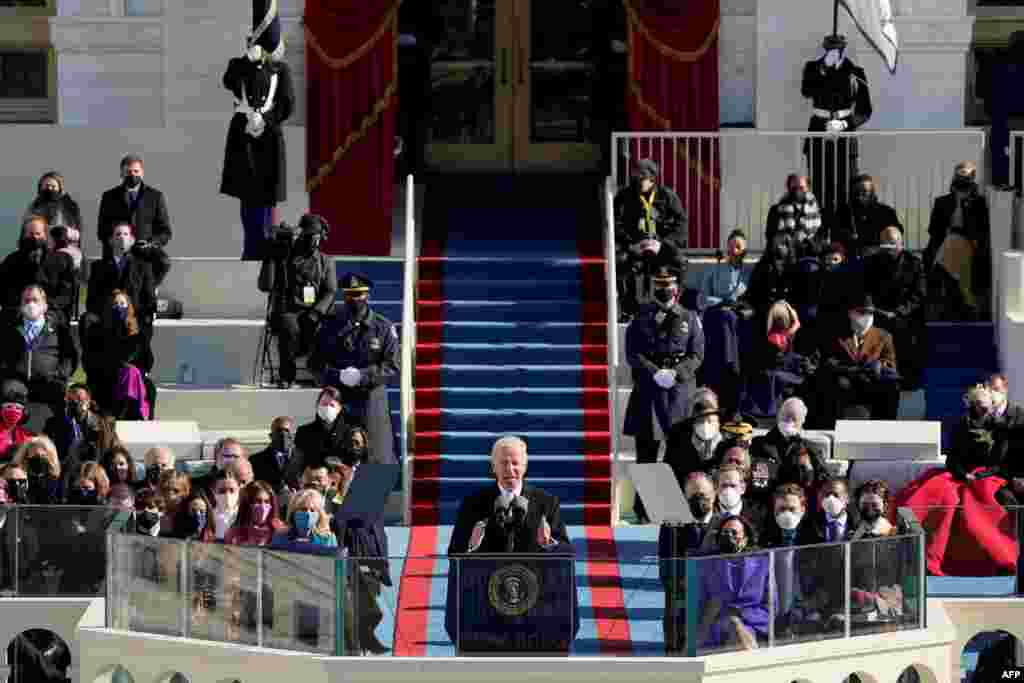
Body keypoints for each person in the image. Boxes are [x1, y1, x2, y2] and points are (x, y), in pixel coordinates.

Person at [623, 266, 704, 524]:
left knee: (680, 454)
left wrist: (677, 373)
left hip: (679, 393)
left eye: (669, 286)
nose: (665, 290)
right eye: (660, 286)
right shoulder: (641, 317)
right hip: (649, 389)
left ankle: (675, 512)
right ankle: (646, 510)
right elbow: (632, 353)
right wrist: (654, 372)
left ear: (677, 289)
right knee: (647, 453)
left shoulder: (690, 318)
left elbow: (697, 354)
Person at [220, 2, 296, 261]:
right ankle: (251, 246)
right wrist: (247, 61)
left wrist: (266, 119)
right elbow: (228, 81)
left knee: (266, 197)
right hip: (243, 138)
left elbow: (287, 104)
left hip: (269, 138)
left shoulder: (281, 69)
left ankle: (264, 245)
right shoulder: (238, 65)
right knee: (246, 196)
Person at [313, 273, 400, 464]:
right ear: (344, 297)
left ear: (367, 295)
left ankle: (370, 494)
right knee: (336, 458)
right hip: (338, 399)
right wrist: (338, 375)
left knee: (375, 457)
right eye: (350, 295)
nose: (355, 299)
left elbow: (392, 366)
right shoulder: (329, 326)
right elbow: (316, 364)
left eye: (359, 294)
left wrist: (363, 375)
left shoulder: (383, 328)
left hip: (371, 402)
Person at [448, 435, 572, 555]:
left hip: (533, 574)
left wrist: (549, 543)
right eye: (503, 463)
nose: (509, 469)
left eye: (515, 463)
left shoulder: (546, 502)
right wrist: (471, 545)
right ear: (493, 467)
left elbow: (567, 550)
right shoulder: (473, 503)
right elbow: (454, 551)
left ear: (525, 466)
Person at [258, 213, 337, 388]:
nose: (310, 241)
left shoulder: (326, 261)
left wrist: (317, 312)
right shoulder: (284, 257)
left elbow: (330, 291)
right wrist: (270, 257)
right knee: (289, 326)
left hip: (313, 310)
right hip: (288, 310)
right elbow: (265, 285)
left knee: (329, 328)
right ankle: (287, 376)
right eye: (306, 236)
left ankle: (319, 371)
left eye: (314, 237)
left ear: (321, 238)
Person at [801, 33, 873, 218]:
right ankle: (819, 229)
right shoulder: (813, 68)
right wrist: (823, 67)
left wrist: (844, 123)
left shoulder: (855, 72)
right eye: (829, 50)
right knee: (819, 184)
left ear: (843, 50)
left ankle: (843, 233)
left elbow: (865, 110)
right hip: (819, 128)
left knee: (846, 185)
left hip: (844, 133)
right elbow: (806, 91)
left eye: (837, 50)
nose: (833, 53)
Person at [613, 159, 689, 320]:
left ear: (653, 178)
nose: (639, 181)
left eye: (643, 177)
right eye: (636, 177)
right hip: (635, 248)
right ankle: (628, 309)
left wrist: (665, 243)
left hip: (660, 248)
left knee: (680, 262)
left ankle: (674, 306)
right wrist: (629, 243)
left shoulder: (667, 196)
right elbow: (614, 222)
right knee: (620, 261)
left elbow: (681, 222)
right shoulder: (625, 196)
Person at [82, 222, 157, 384]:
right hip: (106, 317)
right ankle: (94, 368)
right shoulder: (98, 267)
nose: (121, 238)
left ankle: (139, 367)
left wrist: (129, 310)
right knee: (87, 320)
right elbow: (92, 300)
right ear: (110, 240)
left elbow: (149, 300)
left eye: (125, 234)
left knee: (144, 321)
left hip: (133, 316)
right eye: (117, 234)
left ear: (132, 239)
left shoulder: (143, 267)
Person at [0, 285, 78, 432]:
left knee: (59, 398)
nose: (31, 304)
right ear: (21, 305)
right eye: (26, 300)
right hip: (17, 385)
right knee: (8, 392)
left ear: (44, 306)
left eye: (35, 300)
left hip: (48, 384)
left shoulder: (59, 330)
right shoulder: (8, 329)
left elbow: (70, 357)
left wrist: (60, 376)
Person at [658, 471, 719, 654]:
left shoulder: (726, 523)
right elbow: (666, 567)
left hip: (715, 603)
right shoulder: (671, 524)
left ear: (714, 494)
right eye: (692, 496)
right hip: (683, 602)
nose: (698, 500)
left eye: (703, 495)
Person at [924, 161, 991, 321]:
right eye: (958, 174)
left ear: (972, 178)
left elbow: (980, 229)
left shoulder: (979, 203)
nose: (961, 179)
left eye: (965, 175)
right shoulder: (942, 201)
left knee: (954, 244)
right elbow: (933, 229)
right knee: (950, 243)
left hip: (968, 244)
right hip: (944, 242)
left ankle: (962, 301)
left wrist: (965, 203)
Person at [820, 294, 900, 425]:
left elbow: (891, 364)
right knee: (836, 384)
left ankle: (885, 431)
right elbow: (829, 362)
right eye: (862, 313)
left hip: (872, 383)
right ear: (851, 313)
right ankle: (834, 428)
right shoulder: (838, 335)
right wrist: (852, 369)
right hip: (847, 382)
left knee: (891, 387)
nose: (867, 317)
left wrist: (878, 364)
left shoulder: (884, 336)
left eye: (870, 313)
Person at [863, 226, 927, 390]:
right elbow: (866, 288)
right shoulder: (872, 262)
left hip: (904, 317)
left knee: (906, 350)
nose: (889, 250)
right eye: (885, 245)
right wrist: (870, 304)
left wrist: (899, 312)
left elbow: (919, 295)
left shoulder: (914, 263)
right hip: (879, 315)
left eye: (892, 245)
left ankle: (906, 384)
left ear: (900, 244)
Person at [699, 230, 754, 415]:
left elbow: (753, 302)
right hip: (716, 318)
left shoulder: (750, 273)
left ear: (745, 250)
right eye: (731, 245)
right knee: (724, 318)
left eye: (738, 246)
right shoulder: (714, 270)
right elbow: (702, 299)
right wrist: (722, 303)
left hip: (739, 320)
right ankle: (728, 366)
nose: (734, 250)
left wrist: (742, 308)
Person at [696, 514, 770, 651]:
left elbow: (771, 605)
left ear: (745, 539)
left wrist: (739, 616)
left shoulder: (763, 564)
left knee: (736, 629)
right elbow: (699, 605)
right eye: (724, 533)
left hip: (753, 626)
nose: (728, 536)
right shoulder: (707, 565)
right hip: (716, 626)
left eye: (734, 533)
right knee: (733, 627)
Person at [96, 154, 172, 285]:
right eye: (128, 172)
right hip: (118, 249)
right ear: (121, 174)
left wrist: (151, 243)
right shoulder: (109, 196)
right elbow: (102, 229)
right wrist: (116, 242)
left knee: (164, 261)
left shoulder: (155, 196)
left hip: (145, 250)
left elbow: (165, 231)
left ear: (142, 173)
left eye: (136, 171)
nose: (132, 175)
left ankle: (150, 290)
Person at [83, 289, 154, 418]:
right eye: (115, 304)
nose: (119, 307)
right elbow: (91, 360)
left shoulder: (139, 333)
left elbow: (148, 362)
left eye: (122, 304)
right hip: (108, 376)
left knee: (137, 377)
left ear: (129, 306)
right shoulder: (98, 331)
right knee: (128, 373)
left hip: (134, 378)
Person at [0, 214, 78, 325]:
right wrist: (25, 305)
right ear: (23, 236)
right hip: (18, 311)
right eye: (30, 234)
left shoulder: (62, 261)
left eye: (38, 234)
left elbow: (67, 295)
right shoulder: (11, 261)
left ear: (45, 236)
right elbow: (5, 293)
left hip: (51, 312)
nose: (34, 238)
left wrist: (43, 305)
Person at [749, 398, 827, 500]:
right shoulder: (758, 444)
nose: (789, 422)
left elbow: (823, 479)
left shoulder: (810, 450)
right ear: (778, 416)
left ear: (802, 421)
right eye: (785, 417)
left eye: (794, 419)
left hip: (798, 503)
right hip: (766, 501)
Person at [283, 388, 348, 488]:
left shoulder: (348, 432)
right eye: (324, 404)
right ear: (317, 406)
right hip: (312, 487)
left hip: (341, 489)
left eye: (331, 405)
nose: (327, 408)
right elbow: (295, 465)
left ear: (339, 408)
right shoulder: (304, 432)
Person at [664, 393, 725, 491]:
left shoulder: (726, 436)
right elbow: (669, 470)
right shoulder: (679, 434)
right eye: (701, 408)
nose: (706, 423)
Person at [832, 175, 902, 259]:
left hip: (880, 259)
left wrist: (877, 249)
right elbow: (835, 238)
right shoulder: (843, 212)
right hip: (851, 259)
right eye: (857, 192)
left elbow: (895, 240)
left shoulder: (886, 212)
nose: (860, 196)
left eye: (865, 192)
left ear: (872, 192)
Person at [702, 463, 766, 551]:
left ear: (743, 488)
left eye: (733, 486)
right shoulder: (707, 515)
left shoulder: (758, 514)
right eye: (724, 486)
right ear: (716, 488)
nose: (728, 490)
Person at [764, 174, 824, 258]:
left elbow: (820, 240)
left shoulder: (816, 211)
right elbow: (770, 235)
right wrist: (788, 237)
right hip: (785, 256)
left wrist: (806, 238)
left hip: (809, 256)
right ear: (788, 189)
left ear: (808, 188)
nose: (797, 191)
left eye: (801, 188)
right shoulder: (776, 210)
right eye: (794, 188)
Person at [23, 171, 83, 243]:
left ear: (59, 188)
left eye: (53, 186)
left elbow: (77, 233)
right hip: (40, 247)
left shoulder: (69, 206)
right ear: (40, 187)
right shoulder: (34, 206)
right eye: (47, 186)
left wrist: (65, 232)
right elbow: (26, 229)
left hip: (63, 247)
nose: (50, 189)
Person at [271, 488, 338, 551]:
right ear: (293, 512)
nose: (308, 514)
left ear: (319, 515)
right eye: (303, 509)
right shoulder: (280, 537)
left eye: (312, 510)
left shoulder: (328, 539)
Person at [225, 481, 286, 546]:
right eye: (258, 501)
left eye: (267, 501)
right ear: (248, 504)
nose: (263, 506)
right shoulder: (234, 532)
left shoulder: (279, 530)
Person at [250, 415, 296, 497]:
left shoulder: (304, 459)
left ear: (293, 435)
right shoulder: (255, 461)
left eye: (287, 430)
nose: (283, 434)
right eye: (279, 431)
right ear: (271, 436)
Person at [13, 436, 63, 504]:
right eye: (35, 455)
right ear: (26, 455)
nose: (39, 458)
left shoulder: (58, 479)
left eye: (43, 455)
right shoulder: (18, 478)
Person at [0, 379, 34, 461]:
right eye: (8, 407)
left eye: (18, 408)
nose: (13, 411)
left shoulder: (26, 435)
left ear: (23, 413)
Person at [209, 468, 243, 541]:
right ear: (213, 491)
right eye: (222, 491)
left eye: (232, 490)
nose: (227, 495)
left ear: (239, 489)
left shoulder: (246, 515)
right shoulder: (208, 517)